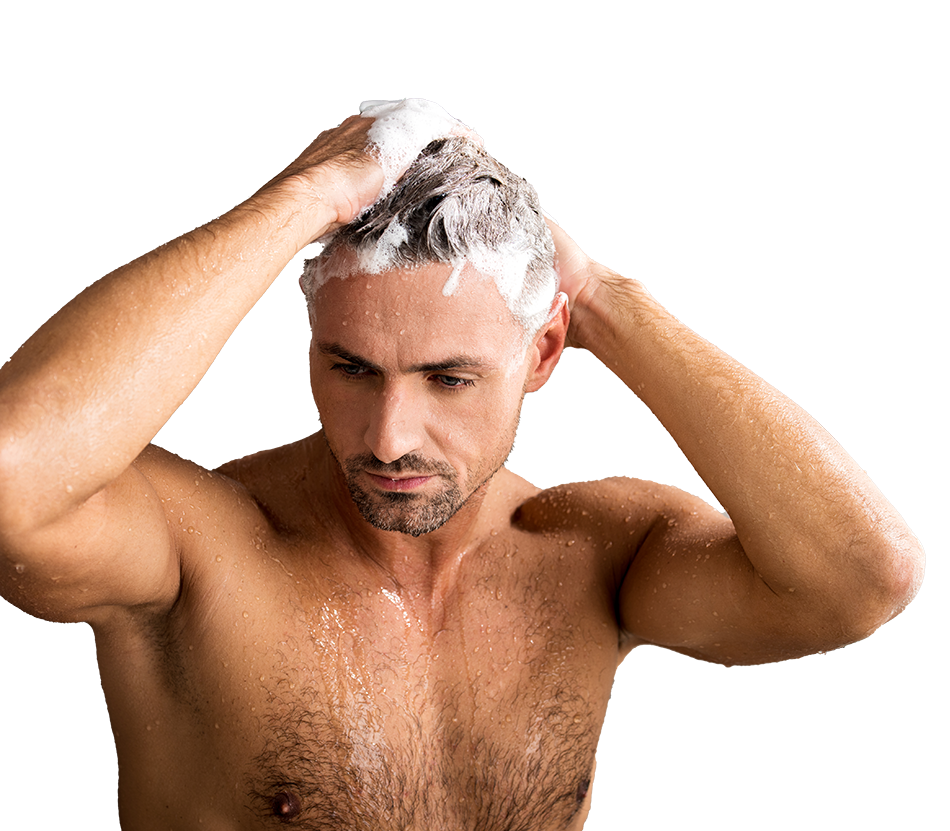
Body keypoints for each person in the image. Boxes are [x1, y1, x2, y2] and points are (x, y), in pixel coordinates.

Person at [0, 100, 925, 830]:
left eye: (449, 378)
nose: (391, 434)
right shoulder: (198, 548)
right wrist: (301, 202)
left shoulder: (593, 554)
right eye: (352, 368)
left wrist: (604, 297)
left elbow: (860, 575)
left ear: (545, 352)